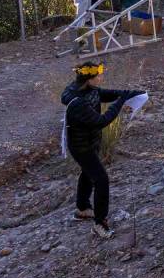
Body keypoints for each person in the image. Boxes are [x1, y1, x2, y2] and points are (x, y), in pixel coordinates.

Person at [61, 60, 143, 239]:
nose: (101, 77)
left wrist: (130, 94)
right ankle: (100, 223)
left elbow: (104, 94)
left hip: (91, 142)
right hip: (81, 147)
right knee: (101, 179)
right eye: (98, 75)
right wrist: (121, 102)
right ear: (88, 79)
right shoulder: (77, 103)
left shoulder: (89, 90)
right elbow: (102, 120)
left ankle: (82, 208)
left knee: (87, 173)